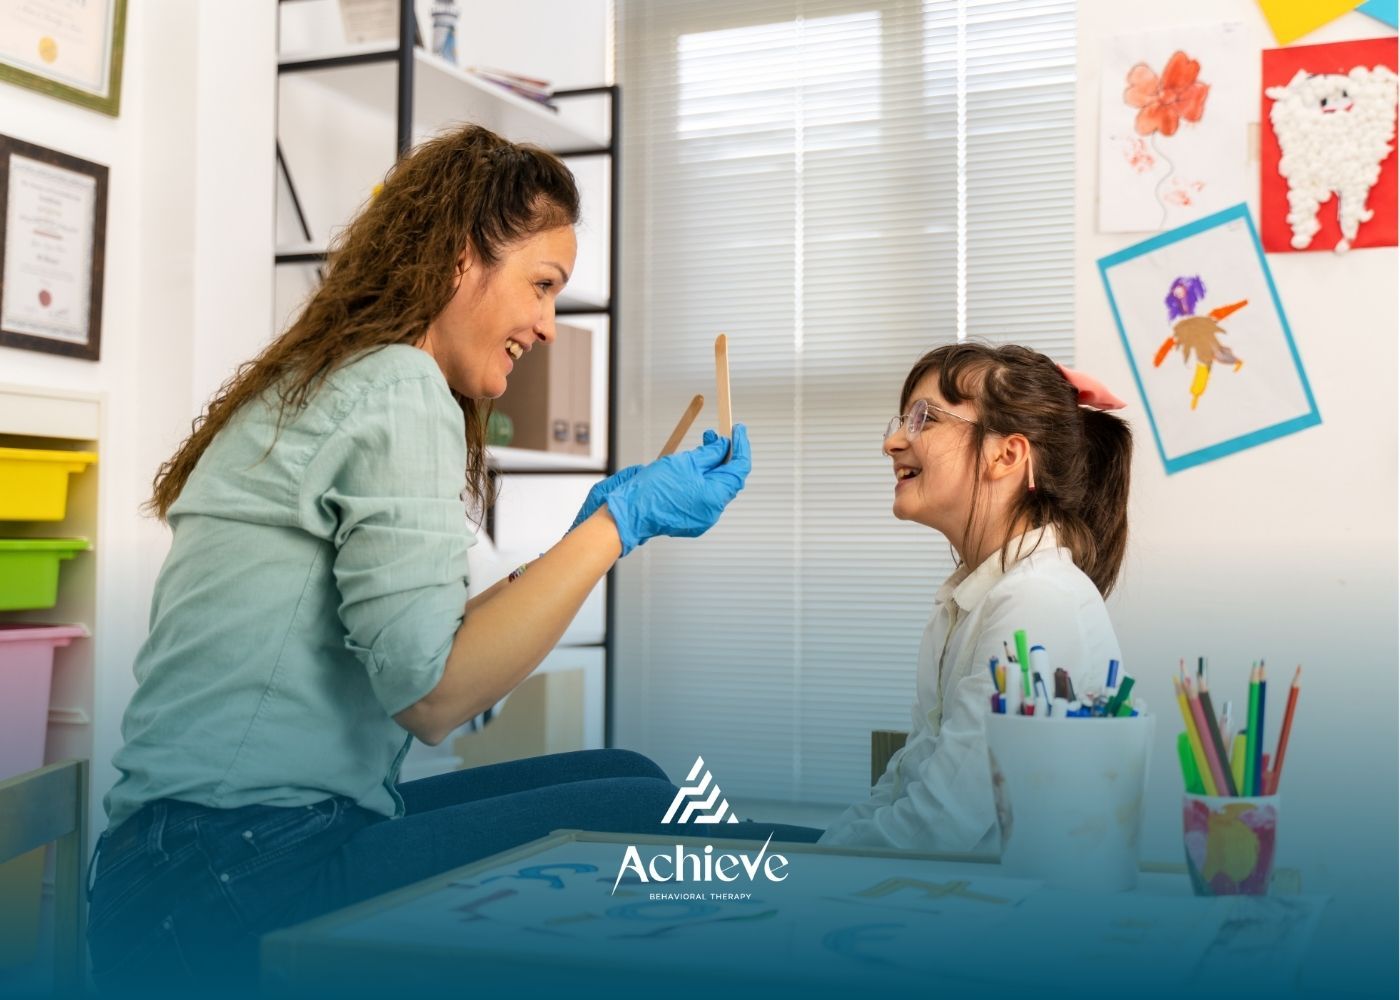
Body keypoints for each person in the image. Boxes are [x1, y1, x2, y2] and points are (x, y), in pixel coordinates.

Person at [87, 125, 818, 992]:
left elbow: (423, 647)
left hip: (196, 860)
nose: (549, 326)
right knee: (641, 810)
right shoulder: (398, 385)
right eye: (542, 287)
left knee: (626, 776)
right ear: (462, 260)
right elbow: (435, 697)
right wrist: (617, 525)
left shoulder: (342, 378)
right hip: (229, 872)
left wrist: (589, 535)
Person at [818, 342, 1132, 853]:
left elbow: (939, 826)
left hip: (987, 910)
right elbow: (909, 778)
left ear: (1006, 455)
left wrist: (808, 872)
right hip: (930, 887)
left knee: (647, 806)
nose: (893, 442)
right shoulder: (971, 598)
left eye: (924, 418)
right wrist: (820, 854)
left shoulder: (1037, 601)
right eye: (901, 419)